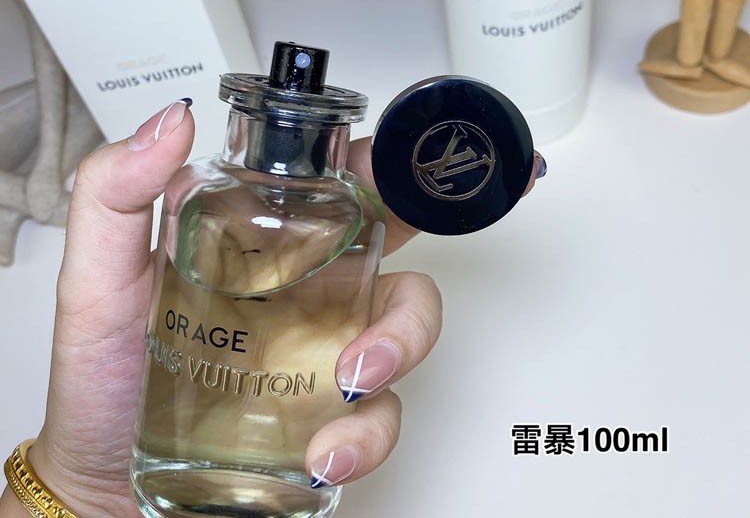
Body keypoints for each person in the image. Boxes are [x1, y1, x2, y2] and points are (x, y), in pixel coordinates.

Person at [0, 100, 544, 518]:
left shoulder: (356, 211)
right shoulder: (201, 196)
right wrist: (81, 489)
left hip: (264, 485)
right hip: (155, 478)